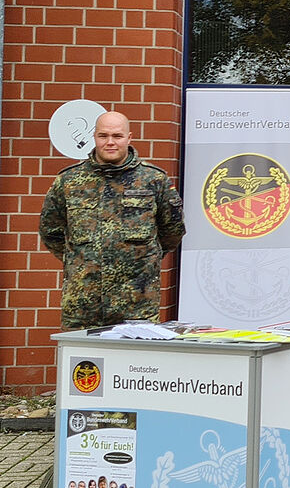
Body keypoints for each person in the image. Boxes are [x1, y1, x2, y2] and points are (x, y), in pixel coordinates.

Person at [39, 111, 185, 329]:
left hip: (136, 304)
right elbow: (50, 231)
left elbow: (172, 230)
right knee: (83, 362)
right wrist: (79, 260)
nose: (110, 142)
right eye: (103, 135)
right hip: (82, 305)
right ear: (94, 137)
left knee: (137, 363)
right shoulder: (68, 181)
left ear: (129, 138)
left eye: (117, 136)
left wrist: (142, 258)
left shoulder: (154, 180)